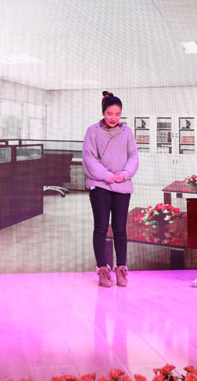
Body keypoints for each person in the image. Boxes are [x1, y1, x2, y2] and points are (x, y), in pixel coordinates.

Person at [82, 91, 139, 287]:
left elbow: (133, 157)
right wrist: (107, 176)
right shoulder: (92, 131)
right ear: (103, 112)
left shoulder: (127, 132)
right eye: (109, 114)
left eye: (117, 114)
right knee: (101, 227)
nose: (113, 118)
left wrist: (125, 174)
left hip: (122, 184)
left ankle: (121, 269)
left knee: (120, 228)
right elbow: (89, 158)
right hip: (100, 185)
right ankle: (103, 270)